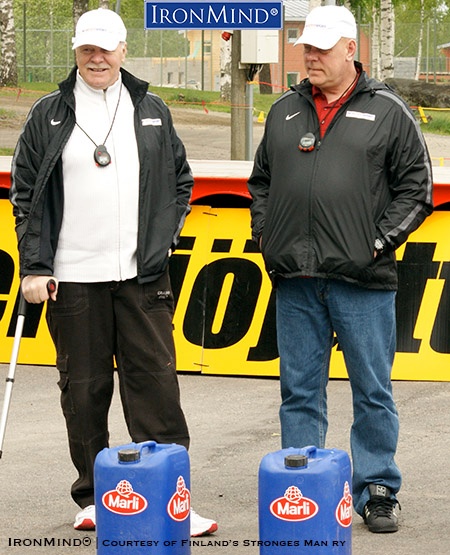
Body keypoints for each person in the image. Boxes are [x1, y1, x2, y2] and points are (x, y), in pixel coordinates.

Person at [9, 8, 217, 537]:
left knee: (156, 387)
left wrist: (162, 241)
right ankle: (95, 496)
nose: (96, 58)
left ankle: (172, 499)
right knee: (83, 389)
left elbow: (180, 179)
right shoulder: (48, 113)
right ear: (75, 52)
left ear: (124, 50)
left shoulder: (151, 108)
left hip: (141, 276)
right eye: (86, 50)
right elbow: (26, 195)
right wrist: (34, 265)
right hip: (72, 276)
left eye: (105, 49)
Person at [247, 5, 433, 534]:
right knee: (299, 390)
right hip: (295, 280)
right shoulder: (283, 111)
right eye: (307, 47)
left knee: (372, 390)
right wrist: (266, 235)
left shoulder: (390, 111)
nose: (311, 56)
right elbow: (260, 183)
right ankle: (301, 486)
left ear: (352, 49)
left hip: (362, 281)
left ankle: (377, 490)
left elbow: (416, 189)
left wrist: (376, 243)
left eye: (322, 49)